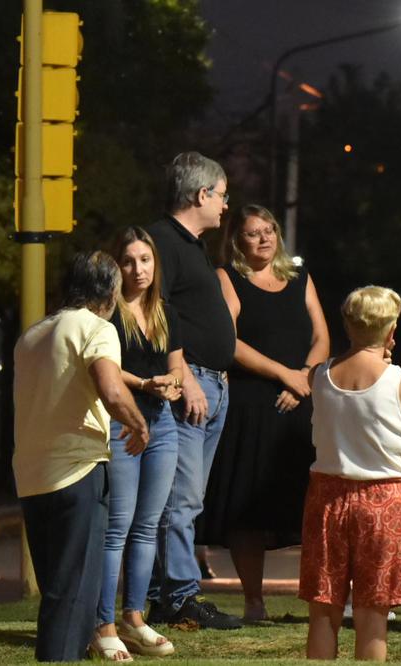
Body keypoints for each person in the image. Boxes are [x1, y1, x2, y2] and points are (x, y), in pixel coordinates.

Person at [14, 251, 149, 662]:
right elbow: (111, 390)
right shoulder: (96, 327)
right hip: (77, 471)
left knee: (57, 593)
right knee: (74, 597)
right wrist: (138, 424)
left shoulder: (33, 335)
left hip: (33, 476)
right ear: (108, 292)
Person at [198, 204, 330, 622]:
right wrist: (283, 374)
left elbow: (322, 336)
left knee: (312, 505)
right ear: (237, 240)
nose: (264, 238)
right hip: (252, 405)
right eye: (253, 233)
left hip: (300, 404)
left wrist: (303, 377)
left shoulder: (300, 277)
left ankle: (320, 598)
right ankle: (254, 601)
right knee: (248, 509)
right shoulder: (227, 278)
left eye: (269, 230)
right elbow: (230, 342)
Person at [299, 286, 401, 661]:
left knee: (323, 610)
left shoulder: (319, 376)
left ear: (347, 326)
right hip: (382, 499)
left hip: (326, 496)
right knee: (373, 614)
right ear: (392, 330)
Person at [145, 151, 240, 630]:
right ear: (202, 194)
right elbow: (155, 311)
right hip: (192, 385)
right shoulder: (163, 241)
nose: (225, 206)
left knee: (188, 501)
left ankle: (170, 594)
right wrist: (182, 375)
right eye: (222, 196)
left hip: (210, 383)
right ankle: (178, 598)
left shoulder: (190, 244)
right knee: (178, 501)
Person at [94, 228, 185, 661]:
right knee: (118, 527)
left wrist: (173, 384)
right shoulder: (109, 313)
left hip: (162, 423)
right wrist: (147, 383)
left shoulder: (164, 311)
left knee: (148, 526)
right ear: (117, 266)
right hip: (122, 423)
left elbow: (178, 365)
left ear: (155, 263)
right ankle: (103, 624)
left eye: (145, 260)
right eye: (129, 261)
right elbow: (108, 369)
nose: (138, 269)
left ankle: (134, 617)